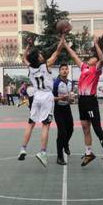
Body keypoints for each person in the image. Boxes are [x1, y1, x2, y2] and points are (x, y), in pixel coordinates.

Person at [65, 36, 103, 169]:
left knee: (97, 128)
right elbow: (74, 56)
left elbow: (102, 59)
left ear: (95, 62)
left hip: (91, 101)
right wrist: (65, 45)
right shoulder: (84, 67)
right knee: (85, 128)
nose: (91, 58)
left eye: (93, 57)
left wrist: (96, 44)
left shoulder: (96, 69)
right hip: (81, 101)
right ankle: (88, 153)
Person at [18, 36, 65, 167]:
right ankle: (42, 152)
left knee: (30, 124)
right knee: (46, 125)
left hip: (37, 96)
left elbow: (24, 58)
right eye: (39, 54)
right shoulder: (46, 65)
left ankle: (23, 148)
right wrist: (63, 36)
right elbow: (58, 50)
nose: (41, 55)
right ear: (38, 58)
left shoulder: (30, 68)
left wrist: (28, 46)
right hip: (47, 97)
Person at [53, 63, 74, 165]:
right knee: (62, 133)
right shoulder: (55, 83)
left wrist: (71, 100)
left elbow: (70, 96)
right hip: (58, 109)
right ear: (59, 71)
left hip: (67, 108)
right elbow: (51, 98)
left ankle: (65, 144)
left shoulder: (70, 83)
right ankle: (59, 156)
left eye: (66, 69)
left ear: (68, 71)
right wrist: (62, 98)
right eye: (62, 69)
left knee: (70, 129)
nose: (65, 71)